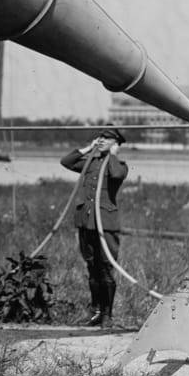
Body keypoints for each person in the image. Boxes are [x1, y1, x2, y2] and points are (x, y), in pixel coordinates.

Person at [60, 127, 128, 328]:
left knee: (105, 268)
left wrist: (113, 154)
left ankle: (107, 315)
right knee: (92, 268)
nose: (101, 140)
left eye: (106, 138)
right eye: (100, 137)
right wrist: (88, 148)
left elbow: (116, 175)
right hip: (85, 222)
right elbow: (66, 162)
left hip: (105, 224)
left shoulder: (119, 165)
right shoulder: (91, 162)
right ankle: (96, 312)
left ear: (116, 143)